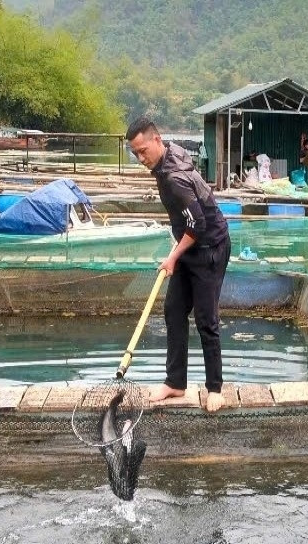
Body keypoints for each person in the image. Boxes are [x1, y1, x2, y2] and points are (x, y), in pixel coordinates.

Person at [126, 117, 230, 412]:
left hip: (210, 246)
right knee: (173, 310)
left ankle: (215, 388)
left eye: (143, 150)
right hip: (190, 243)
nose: (140, 158)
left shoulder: (173, 178)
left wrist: (172, 256)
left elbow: (197, 223)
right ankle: (175, 382)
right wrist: (178, 248)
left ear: (157, 141)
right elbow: (188, 221)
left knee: (206, 319)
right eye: (135, 153)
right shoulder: (169, 153)